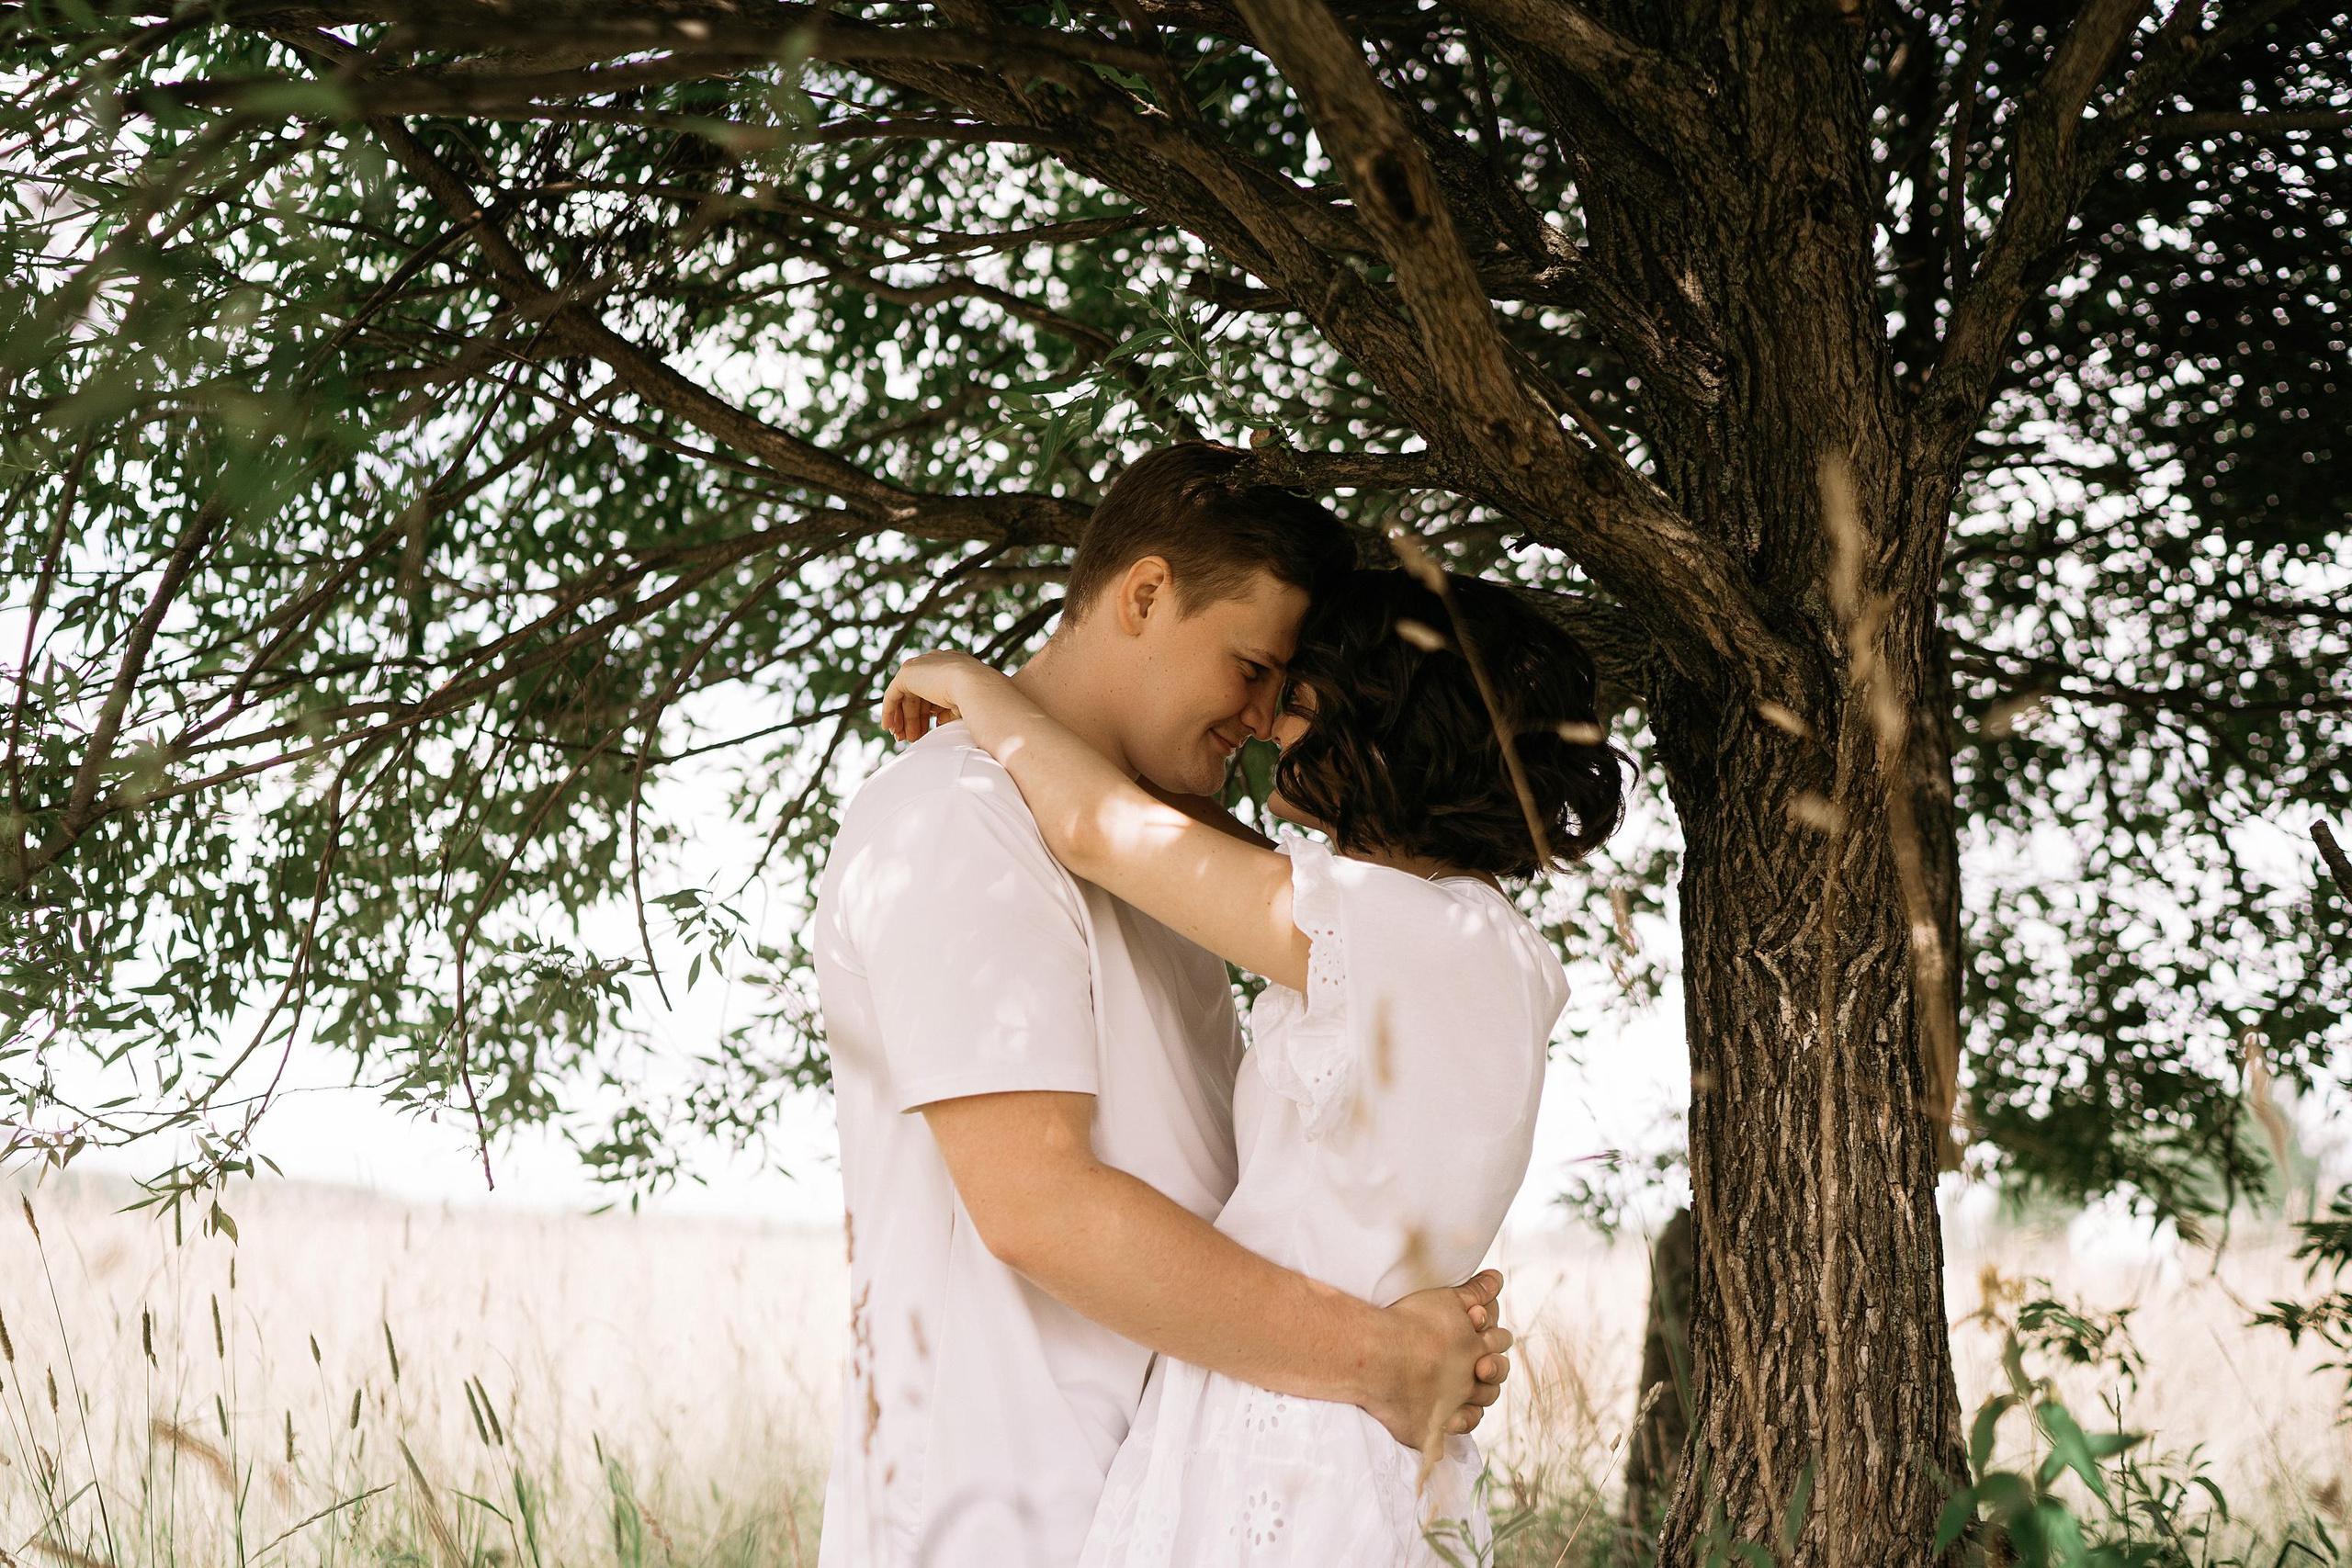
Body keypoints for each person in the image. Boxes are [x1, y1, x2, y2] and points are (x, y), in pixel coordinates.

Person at [811, 446, 1517, 1568]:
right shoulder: (959, 819)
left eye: (1285, 695)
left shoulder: (1161, 851)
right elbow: (1036, 1205)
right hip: (1004, 1511)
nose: (1262, 719)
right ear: (1145, 595)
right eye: (1249, 667)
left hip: (1163, 1498)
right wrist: (1379, 1356)